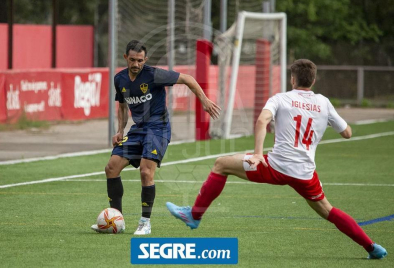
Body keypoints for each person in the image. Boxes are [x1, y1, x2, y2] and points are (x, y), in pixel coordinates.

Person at [167, 59, 387, 259]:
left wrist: (257, 153)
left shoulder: (281, 98)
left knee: (221, 164)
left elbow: (262, 121)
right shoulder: (324, 103)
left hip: (275, 166)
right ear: (313, 80)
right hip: (305, 174)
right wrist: (330, 120)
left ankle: (195, 216)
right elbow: (347, 133)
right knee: (328, 210)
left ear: (292, 79)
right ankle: (371, 247)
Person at [91, 40, 221, 235]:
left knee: (145, 171)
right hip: (138, 130)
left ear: (146, 59)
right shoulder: (120, 80)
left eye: (140, 60)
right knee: (111, 167)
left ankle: (145, 223)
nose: (136, 64)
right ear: (126, 58)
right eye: (132, 60)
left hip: (158, 128)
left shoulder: (154, 75)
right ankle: (116, 219)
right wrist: (120, 131)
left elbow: (188, 79)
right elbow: (123, 106)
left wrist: (204, 100)